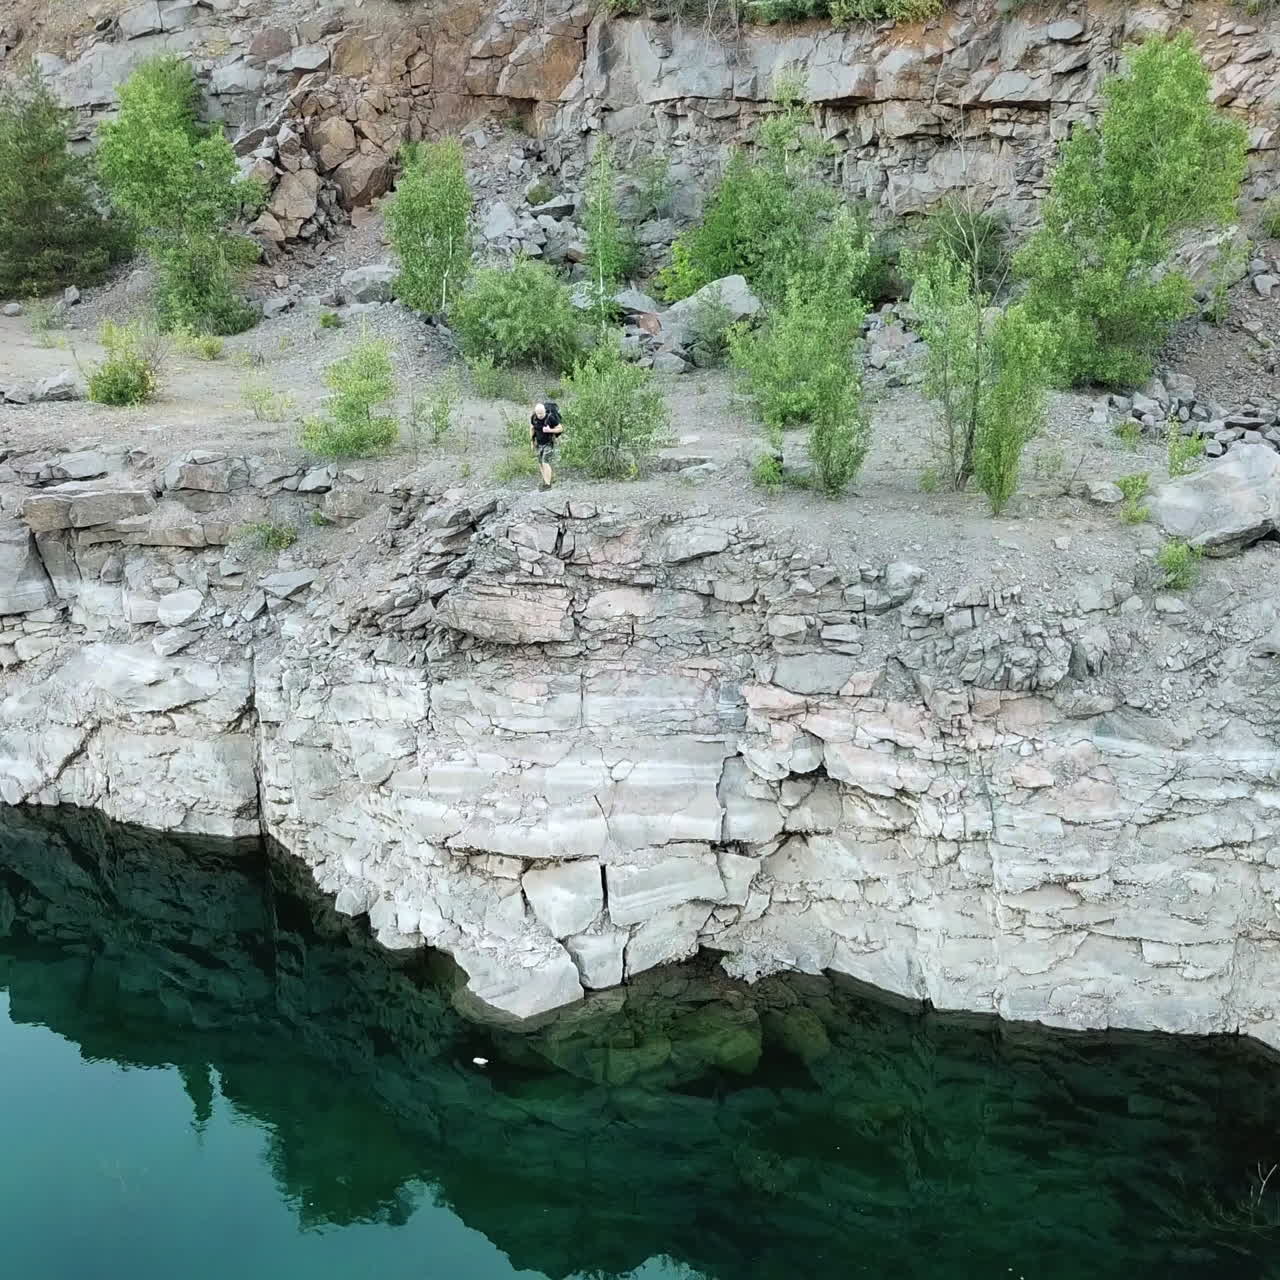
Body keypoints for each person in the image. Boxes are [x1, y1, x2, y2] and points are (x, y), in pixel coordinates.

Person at [530, 401, 563, 490]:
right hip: (538, 443)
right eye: (538, 414)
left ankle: (548, 485)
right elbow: (532, 428)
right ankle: (545, 481)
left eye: (542, 413)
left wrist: (550, 430)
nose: (540, 415)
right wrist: (532, 442)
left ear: (545, 411)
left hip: (549, 443)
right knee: (540, 462)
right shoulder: (534, 418)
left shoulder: (550, 418)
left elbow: (560, 428)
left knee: (545, 462)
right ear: (535, 413)